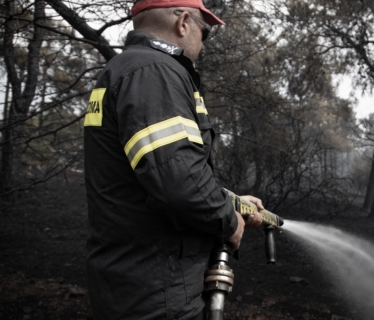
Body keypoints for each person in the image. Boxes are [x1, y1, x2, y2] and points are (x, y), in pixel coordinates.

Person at [83, 0, 262, 318]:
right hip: (158, 290)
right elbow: (178, 182)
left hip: (131, 281)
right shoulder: (156, 73)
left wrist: (230, 200)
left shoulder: (124, 69)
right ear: (183, 22)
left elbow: (155, 173)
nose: (203, 45)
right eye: (204, 33)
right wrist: (228, 220)